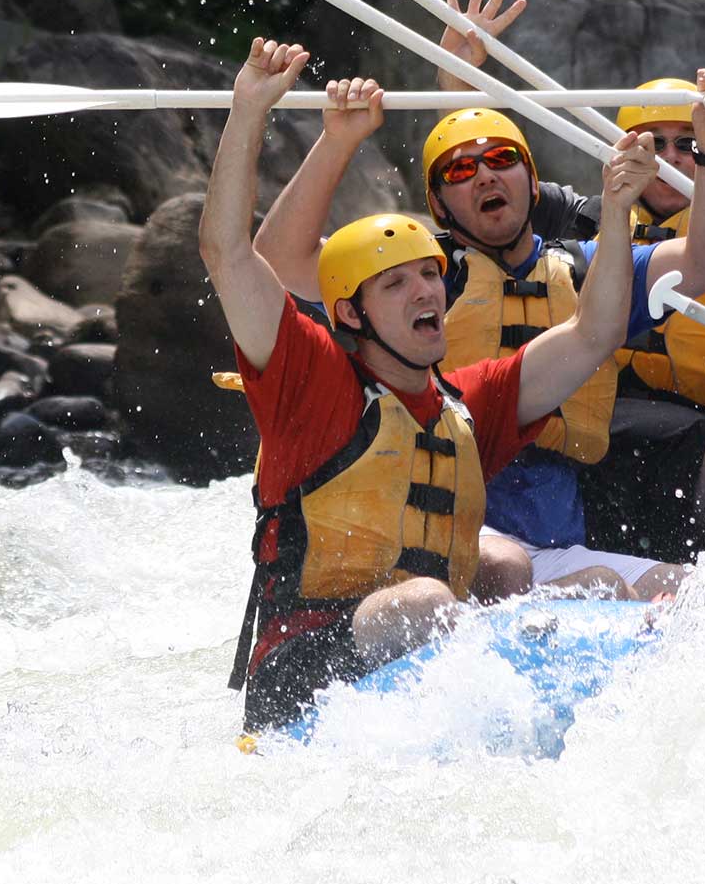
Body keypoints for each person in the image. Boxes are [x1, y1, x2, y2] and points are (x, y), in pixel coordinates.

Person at [199, 38, 662, 732]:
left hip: (427, 657)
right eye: (397, 283)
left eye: (427, 275)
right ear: (350, 313)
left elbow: (591, 336)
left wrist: (620, 209)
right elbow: (229, 254)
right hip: (301, 669)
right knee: (426, 602)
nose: (426, 292)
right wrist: (250, 112)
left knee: (586, 582)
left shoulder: (463, 404)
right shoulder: (314, 382)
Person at [250, 38, 705, 600]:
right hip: (461, 531)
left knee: (698, 597)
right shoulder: (415, 278)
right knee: (559, 576)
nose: (485, 176)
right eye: (461, 170)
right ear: (438, 205)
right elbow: (280, 262)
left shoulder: (585, 269)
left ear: (533, 184)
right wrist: (338, 142)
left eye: (502, 160)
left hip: (557, 526)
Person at [430, 0, 705, 560]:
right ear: (625, 148)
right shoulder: (583, 222)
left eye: (686, 143)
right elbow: (485, 179)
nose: (671, 159)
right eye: (653, 144)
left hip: (694, 440)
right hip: (592, 442)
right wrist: (459, 76)